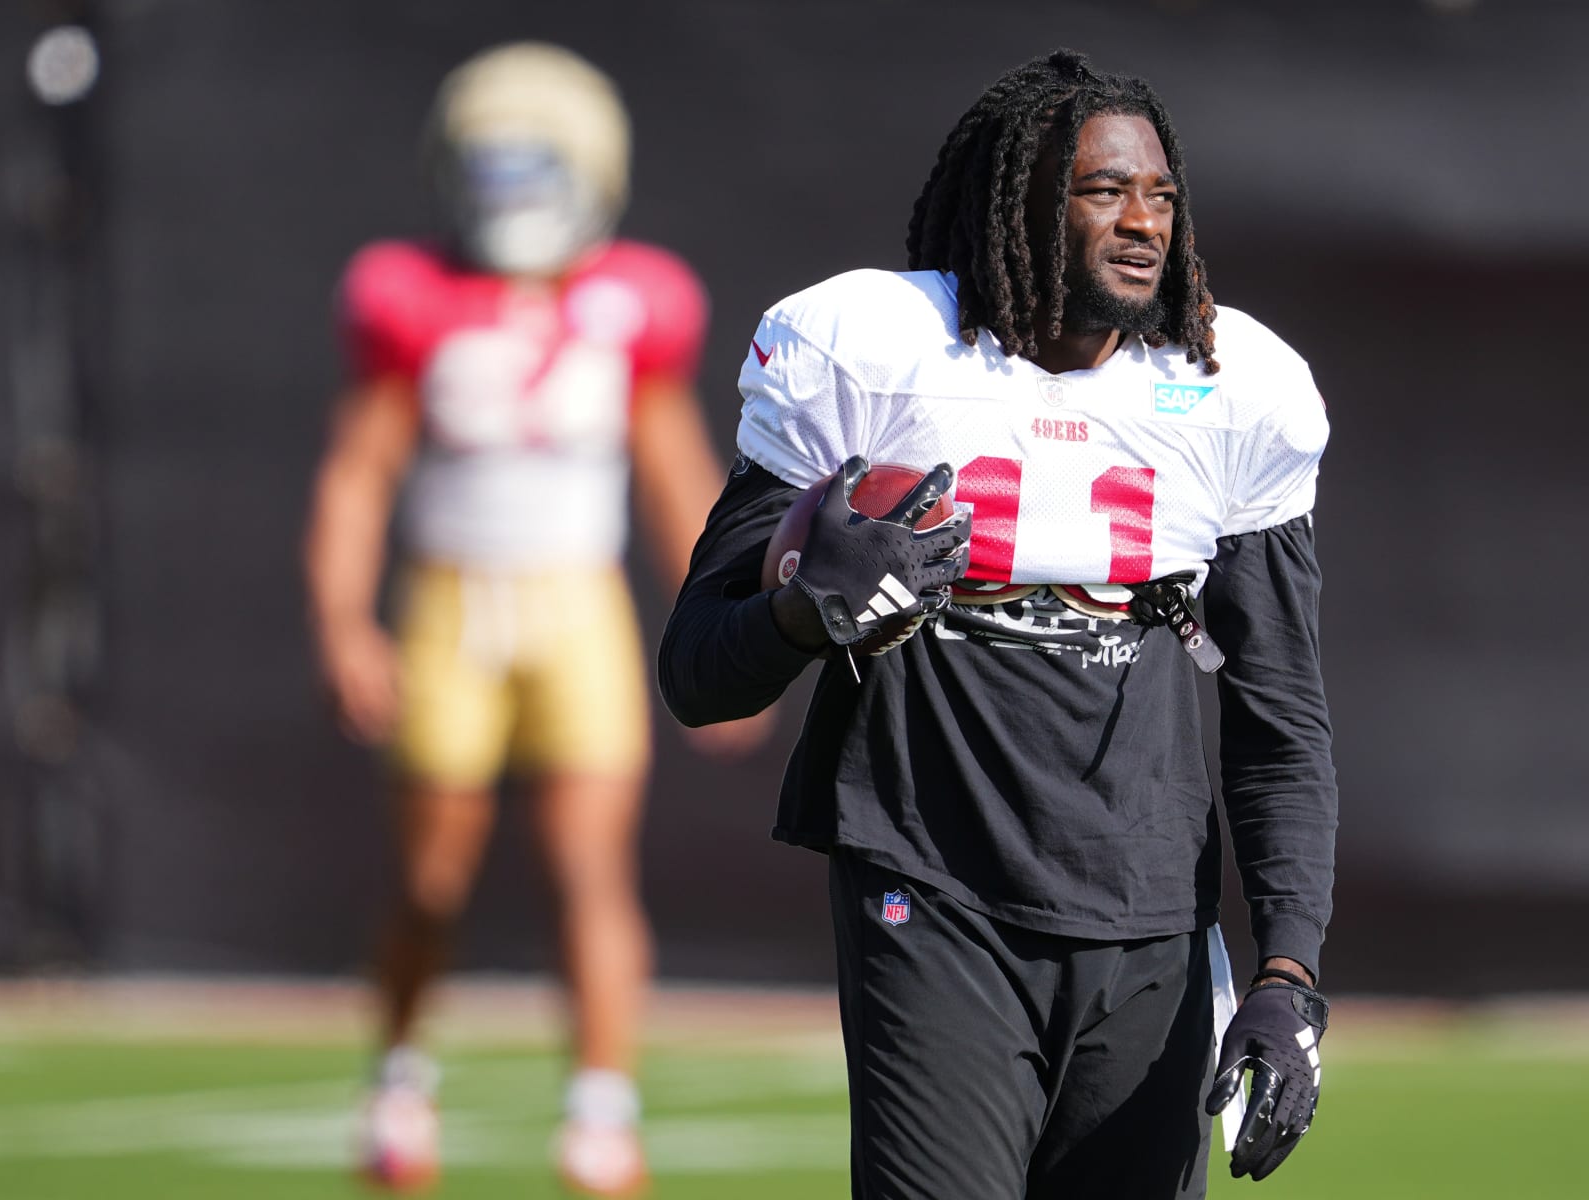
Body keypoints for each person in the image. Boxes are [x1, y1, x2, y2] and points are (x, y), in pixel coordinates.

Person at [658, 49, 1338, 1198]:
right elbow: (697, 673)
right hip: (931, 886)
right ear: (1024, 200)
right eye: (1104, 190)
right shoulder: (872, 355)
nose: (1143, 224)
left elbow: (1280, 718)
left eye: (1161, 196)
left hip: (1150, 911)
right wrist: (805, 613)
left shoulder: (1231, 385)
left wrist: (1288, 974)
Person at [303, 41, 766, 1197]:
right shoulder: (408, 292)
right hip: (452, 604)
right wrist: (345, 623)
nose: (513, 199)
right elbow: (358, 473)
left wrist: (729, 641)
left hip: (576, 606)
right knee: (429, 885)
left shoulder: (635, 300)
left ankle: (600, 1113)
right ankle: (399, 1077)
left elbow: (677, 476)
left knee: (589, 872)